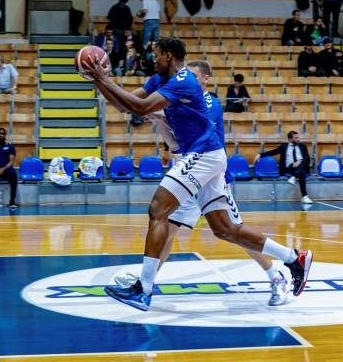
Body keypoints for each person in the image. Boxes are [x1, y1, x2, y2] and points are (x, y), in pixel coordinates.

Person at [83, 37, 313, 311]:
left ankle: (143, 289)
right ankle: (293, 258)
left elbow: (140, 108)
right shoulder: (160, 81)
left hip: (202, 155)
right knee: (225, 229)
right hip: (200, 159)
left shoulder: (184, 82)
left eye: (156, 55)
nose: (152, 60)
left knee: (158, 210)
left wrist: (104, 80)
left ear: (168, 56)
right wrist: (98, 80)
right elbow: (125, 105)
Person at [115, 60, 289, 306]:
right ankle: (145, 284)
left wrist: (154, 112)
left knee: (235, 233)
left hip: (211, 175)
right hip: (188, 173)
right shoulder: (179, 101)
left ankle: (276, 275)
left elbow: (177, 128)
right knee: (167, 229)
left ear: (205, 79)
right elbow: (174, 142)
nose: (186, 80)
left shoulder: (210, 103)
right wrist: (156, 117)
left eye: (193, 76)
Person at [254, 131, 312, 204]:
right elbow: (273, 152)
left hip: (301, 166)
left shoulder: (303, 146)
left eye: (298, 137)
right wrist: (260, 154)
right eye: (296, 138)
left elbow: (307, 158)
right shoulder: (284, 146)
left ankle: (294, 177)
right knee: (301, 172)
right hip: (289, 168)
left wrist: (299, 161)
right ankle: (304, 196)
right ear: (290, 139)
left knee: (304, 162)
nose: (298, 139)